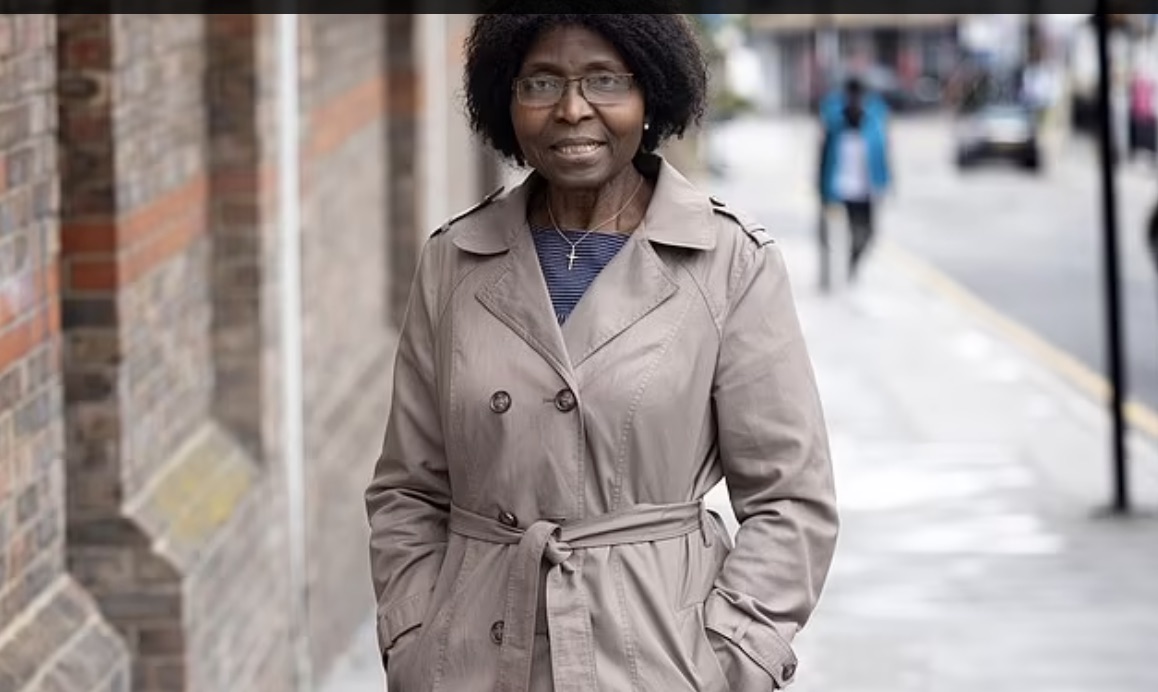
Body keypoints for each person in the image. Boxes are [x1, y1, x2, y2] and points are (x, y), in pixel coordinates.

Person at [365, 7, 839, 692]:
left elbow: (790, 497)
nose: (572, 109)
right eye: (541, 83)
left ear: (650, 94)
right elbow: (408, 490)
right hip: (474, 661)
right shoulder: (453, 261)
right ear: (507, 100)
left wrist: (733, 659)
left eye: (605, 81)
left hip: (659, 662)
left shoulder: (729, 262)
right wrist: (414, 639)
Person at [817, 75, 892, 282]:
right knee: (842, 233)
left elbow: (883, 155)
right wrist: (822, 189)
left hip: (865, 189)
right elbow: (823, 158)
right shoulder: (835, 124)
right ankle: (837, 275)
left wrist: (885, 183)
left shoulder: (873, 123)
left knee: (868, 234)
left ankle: (853, 261)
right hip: (841, 189)